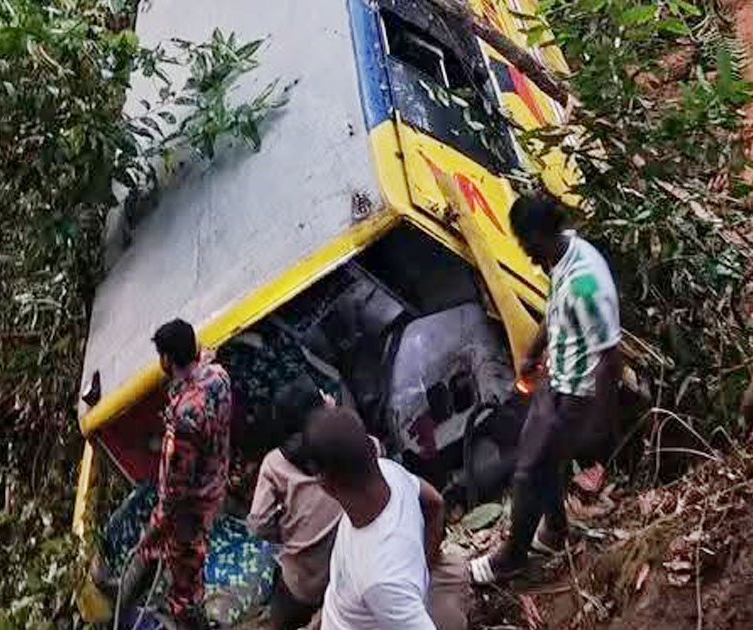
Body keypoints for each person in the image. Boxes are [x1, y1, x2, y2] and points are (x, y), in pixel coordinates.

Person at [469, 192, 622, 584]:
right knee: (540, 459)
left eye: (527, 245)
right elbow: (554, 308)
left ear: (540, 234)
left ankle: (511, 557)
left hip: (578, 394)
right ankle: (554, 530)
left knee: (527, 473)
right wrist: (534, 352)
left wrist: (601, 425)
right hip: (556, 379)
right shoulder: (561, 256)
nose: (527, 254)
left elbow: (609, 360)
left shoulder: (587, 286)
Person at [124, 318, 232, 628]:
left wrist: (156, 526)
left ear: (167, 360)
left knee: (185, 581)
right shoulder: (219, 376)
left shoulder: (184, 418)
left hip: (190, 511)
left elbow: (174, 489)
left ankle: (189, 619)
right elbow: (206, 367)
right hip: (215, 485)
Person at [304, 406, 447, 630]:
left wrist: (409, 587)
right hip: (343, 608)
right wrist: (420, 573)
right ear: (372, 446)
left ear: (325, 484)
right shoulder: (389, 471)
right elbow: (436, 503)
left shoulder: (382, 581)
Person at [246, 377, 342, 630]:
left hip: (307, 583)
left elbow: (257, 525)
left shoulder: (275, 464)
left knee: (280, 619)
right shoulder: (343, 437)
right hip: (352, 563)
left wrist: (286, 532)